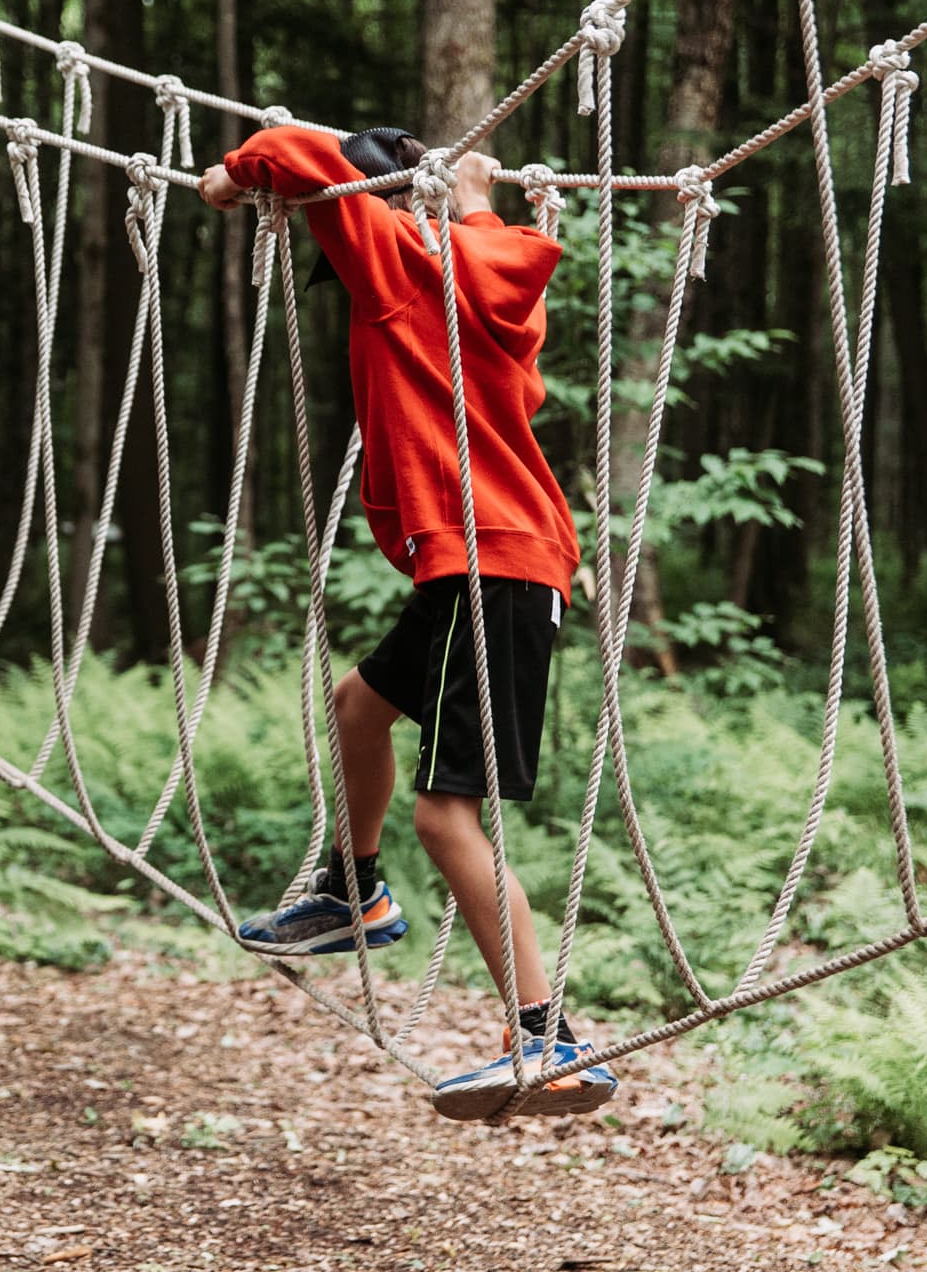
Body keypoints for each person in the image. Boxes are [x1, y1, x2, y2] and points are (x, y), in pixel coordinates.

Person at [198, 126, 618, 1121]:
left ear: (391, 199)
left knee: (447, 815)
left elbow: (300, 152)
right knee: (357, 704)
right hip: (480, 563)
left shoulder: (400, 261)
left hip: (496, 568)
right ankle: (354, 889)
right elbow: (503, 272)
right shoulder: (486, 282)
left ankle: (550, 1036)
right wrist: (473, 202)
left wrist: (232, 173)